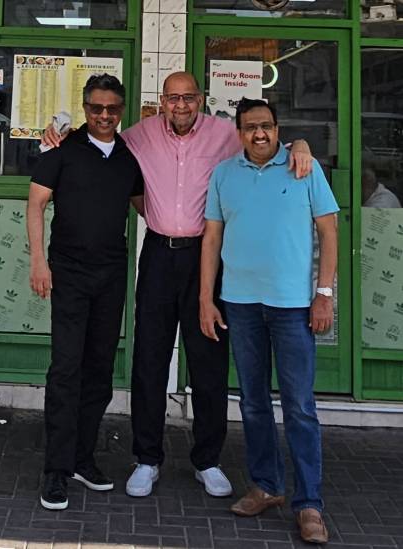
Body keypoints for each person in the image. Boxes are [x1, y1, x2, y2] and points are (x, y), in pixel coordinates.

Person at [43, 71, 313, 499]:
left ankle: (207, 460)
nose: (181, 105)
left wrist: (301, 145)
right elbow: (99, 134)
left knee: (208, 358)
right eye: (173, 98)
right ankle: (147, 458)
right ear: (162, 100)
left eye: (188, 98)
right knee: (149, 358)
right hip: (157, 254)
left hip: (205, 258)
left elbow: (264, 142)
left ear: (200, 100)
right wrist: (58, 131)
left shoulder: (224, 135)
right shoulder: (140, 134)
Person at [200, 98, 338, 543]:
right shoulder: (224, 174)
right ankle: (267, 485)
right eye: (250, 127)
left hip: (293, 306)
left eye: (266, 126)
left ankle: (309, 504)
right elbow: (212, 238)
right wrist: (206, 298)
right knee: (253, 402)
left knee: (299, 406)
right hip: (240, 304)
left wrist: (324, 295)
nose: (259, 134)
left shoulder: (303, 167)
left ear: (278, 129)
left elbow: (329, 231)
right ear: (239, 132)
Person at [27, 74, 144, 510]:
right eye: (96, 108)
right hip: (69, 274)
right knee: (66, 368)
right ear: (85, 108)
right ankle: (56, 469)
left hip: (111, 275)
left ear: (121, 109)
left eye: (112, 108)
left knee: (99, 370)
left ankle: (81, 458)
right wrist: (39, 262)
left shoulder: (129, 156)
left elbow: (148, 206)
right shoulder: (62, 148)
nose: (104, 115)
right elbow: (35, 204)